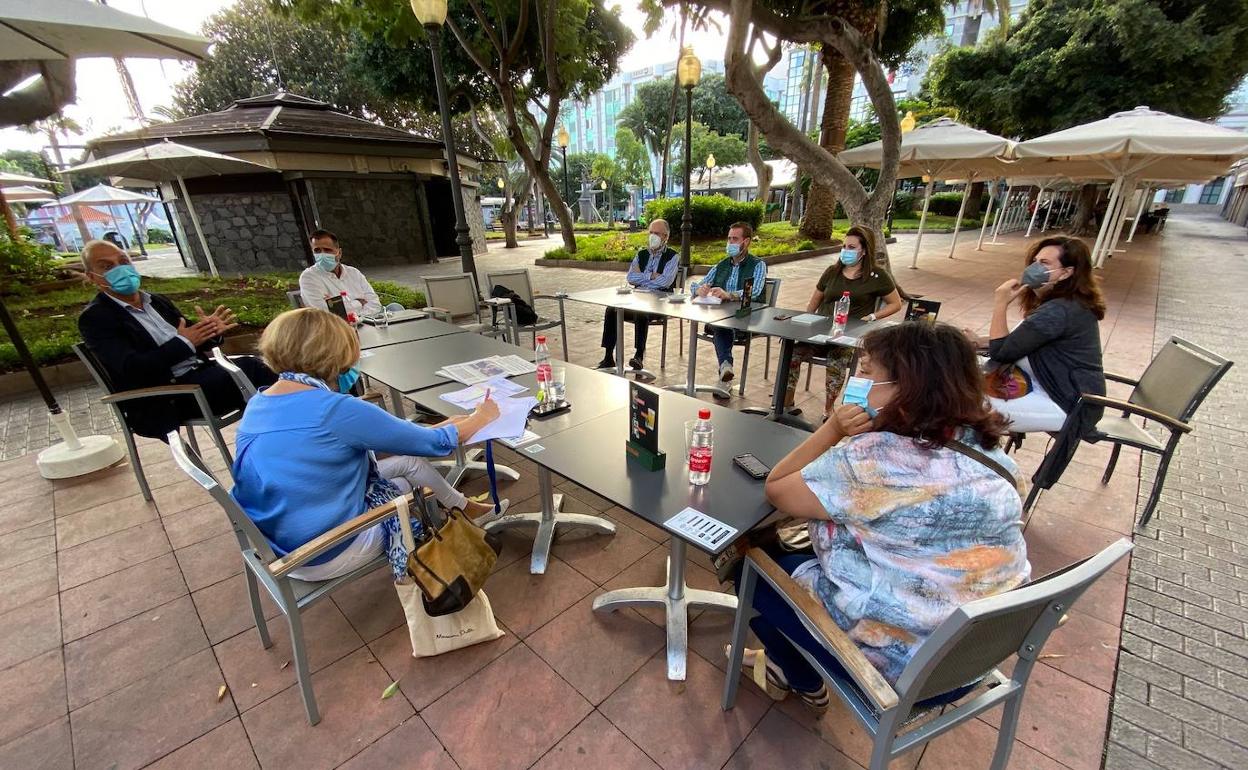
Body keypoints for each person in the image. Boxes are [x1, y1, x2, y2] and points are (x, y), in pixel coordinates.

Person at [739, 322, 1029, 711]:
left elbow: (777, 488)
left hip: (900, 672)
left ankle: (798, 676)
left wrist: (834, 428)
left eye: (866, 370)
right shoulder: (994, 457)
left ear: (905, 386)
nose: (856, 380)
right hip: (971, 659)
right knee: (806, 553)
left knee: (749, 566)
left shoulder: (873, 458)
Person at [231, 308, 505, 582]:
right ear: (334, 354)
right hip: (325, 549)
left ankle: (464, 509)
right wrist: (482, 416)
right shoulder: (334, 409)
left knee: (408, 464)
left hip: (279, 541)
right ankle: (443, 564)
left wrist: (439, 428)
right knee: (408, 488)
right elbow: (434, 443)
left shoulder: (260, 402)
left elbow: (373, 441)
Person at [77, 239, 277, 439]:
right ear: (92, 277)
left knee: (265, 369)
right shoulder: (96, 318)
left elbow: (192, 338)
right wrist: (184, 343)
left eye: (123, 261)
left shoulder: (157, 301)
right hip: (168, 395)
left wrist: (210, 332)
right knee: (255, 371)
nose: (120, 269)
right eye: (107, 266)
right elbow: (132, 368)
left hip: (202, 377)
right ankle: (278, 435)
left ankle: (275, 435)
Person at [974, 235, 1106, 435]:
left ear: (1066, 273)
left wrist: (1000, 303)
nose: (1034, 268)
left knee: (961, 404)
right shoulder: (1063, 304)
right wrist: (977, 341)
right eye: (1035, 261)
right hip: (1046, 389)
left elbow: (1001, 352)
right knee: (960, 388)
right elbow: (1020, 340)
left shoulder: (1059, 311)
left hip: (1066, 403)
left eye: (1044, 263)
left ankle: (978, 454)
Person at [784, 226, 902, 418]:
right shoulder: (832, 272)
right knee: (792, 354)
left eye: (851, 247)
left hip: (847, 337)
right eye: (844, 246)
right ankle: (786, 402)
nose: (846, 250)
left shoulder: (877, 276)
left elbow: (895, 304)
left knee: (837, 361)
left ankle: (828, 409)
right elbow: (814, 301)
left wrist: (872, 317)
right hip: (819, 334)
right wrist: (805, 323)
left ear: (864, 250)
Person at [595, 218, 680, 371]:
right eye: (651, 232)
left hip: (659, 303)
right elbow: (630, 277)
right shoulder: (641, 254)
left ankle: (639, 356)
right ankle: (608, 356)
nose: (653, 236)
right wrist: (652, 276)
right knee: (612, 309)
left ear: (666, 237)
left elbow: (666, 282)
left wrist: (643, 277)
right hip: (638, 297)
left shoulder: (673, 256)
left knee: (641, 311)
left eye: (657, 234)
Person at [691, 222, 767, 386]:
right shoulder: (721, 265)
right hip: (721, 317)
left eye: (735, 239)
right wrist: (699, 290)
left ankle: (725, 368)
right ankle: (725, 366)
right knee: (720, 324)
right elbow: (696, 284)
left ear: (746, 242)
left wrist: (729, 295)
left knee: (720, 325)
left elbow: (755, 291)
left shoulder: (758, 265)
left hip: (745, 317)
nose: (730, 243)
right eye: (729, 239)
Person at [298, 229, 403, 318]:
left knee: (395, 307)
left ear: (339, 253)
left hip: (369, 320)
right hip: (337, 328)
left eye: (327, 250)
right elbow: (326, 313)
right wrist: (358, 302)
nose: (322, 255)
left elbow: (375, 303)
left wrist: (356, 315)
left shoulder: (353, 273)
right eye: (317, 251)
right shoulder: (309, 277)